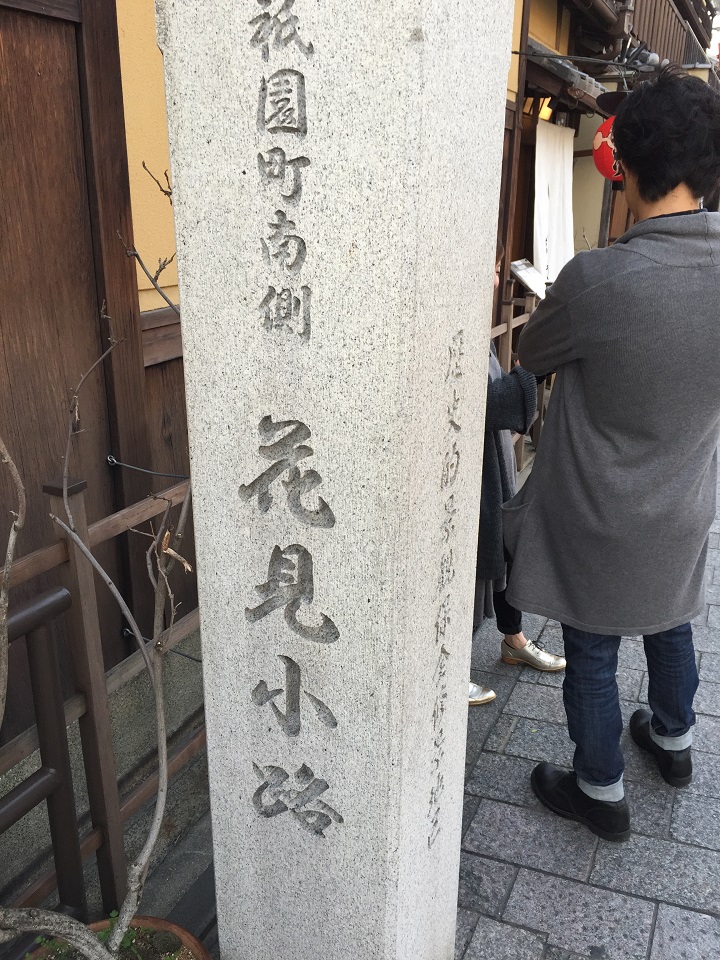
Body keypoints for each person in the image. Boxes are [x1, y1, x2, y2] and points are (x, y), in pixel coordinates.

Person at [503, 67, 720, 840]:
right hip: (684, 502)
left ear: (622, 166)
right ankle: (674, 741)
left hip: (598, 511)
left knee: (593, 649)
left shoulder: (599, 279)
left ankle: (599, 789)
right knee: (670, 620)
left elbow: (533, 353)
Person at [470, 247, 566, 708]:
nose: (496, 281)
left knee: (502, 545)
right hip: (467, 472)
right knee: (471, 562)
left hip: (489, 463)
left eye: (496, 269)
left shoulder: (472, 321)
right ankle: (443, 670)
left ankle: (514, 639)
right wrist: (532, 371)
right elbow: (488, 404)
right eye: (489, 269)